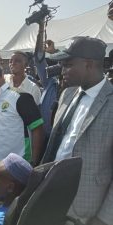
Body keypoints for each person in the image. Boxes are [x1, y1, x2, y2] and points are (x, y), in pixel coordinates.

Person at [42, 37, 113, 225]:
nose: (62, 70)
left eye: (68, 65)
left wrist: (104, 219)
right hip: (51, 196)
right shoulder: (67, 94)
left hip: (86, 211)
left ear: (89, 64)